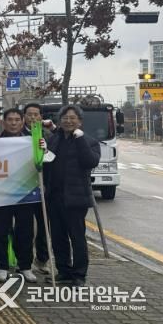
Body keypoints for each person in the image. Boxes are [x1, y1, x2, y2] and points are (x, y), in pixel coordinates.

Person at [42, 105, 100, 287]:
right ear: (60, 121)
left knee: (77, 238)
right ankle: (64, 271)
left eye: (73, 118)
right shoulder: (54, 139)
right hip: (54, 196)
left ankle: (79, 275)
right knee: (58, 237)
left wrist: (80, 139)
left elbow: (90, 162)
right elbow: (46, 163)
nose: (68, 121)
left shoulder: (89, 141)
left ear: (80, 122)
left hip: (75, 198)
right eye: (65, 118)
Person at [0, 108, 37, 284]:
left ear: (22, 121)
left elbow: (43, 161)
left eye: (17, 120)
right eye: (10, 120)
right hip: (2, 192)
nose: (13, 123)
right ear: (4, 122)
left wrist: (42, 148)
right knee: (1, 230)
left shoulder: (31, 140)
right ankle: (2, 266)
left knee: (25, 230)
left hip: (25, 192)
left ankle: (25, 266)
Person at [22, 103, 53, 275]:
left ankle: (42, 259)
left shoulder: (47, 135)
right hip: (24, 187)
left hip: (43, 186)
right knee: (25, 228)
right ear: (24, 116)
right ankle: (24, 262)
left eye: (36, 114)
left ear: (41, 116)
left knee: (44, 226)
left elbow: (54, 158)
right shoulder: (18, 135)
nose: (33, 117)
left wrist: (46, 149)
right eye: (29, 114)